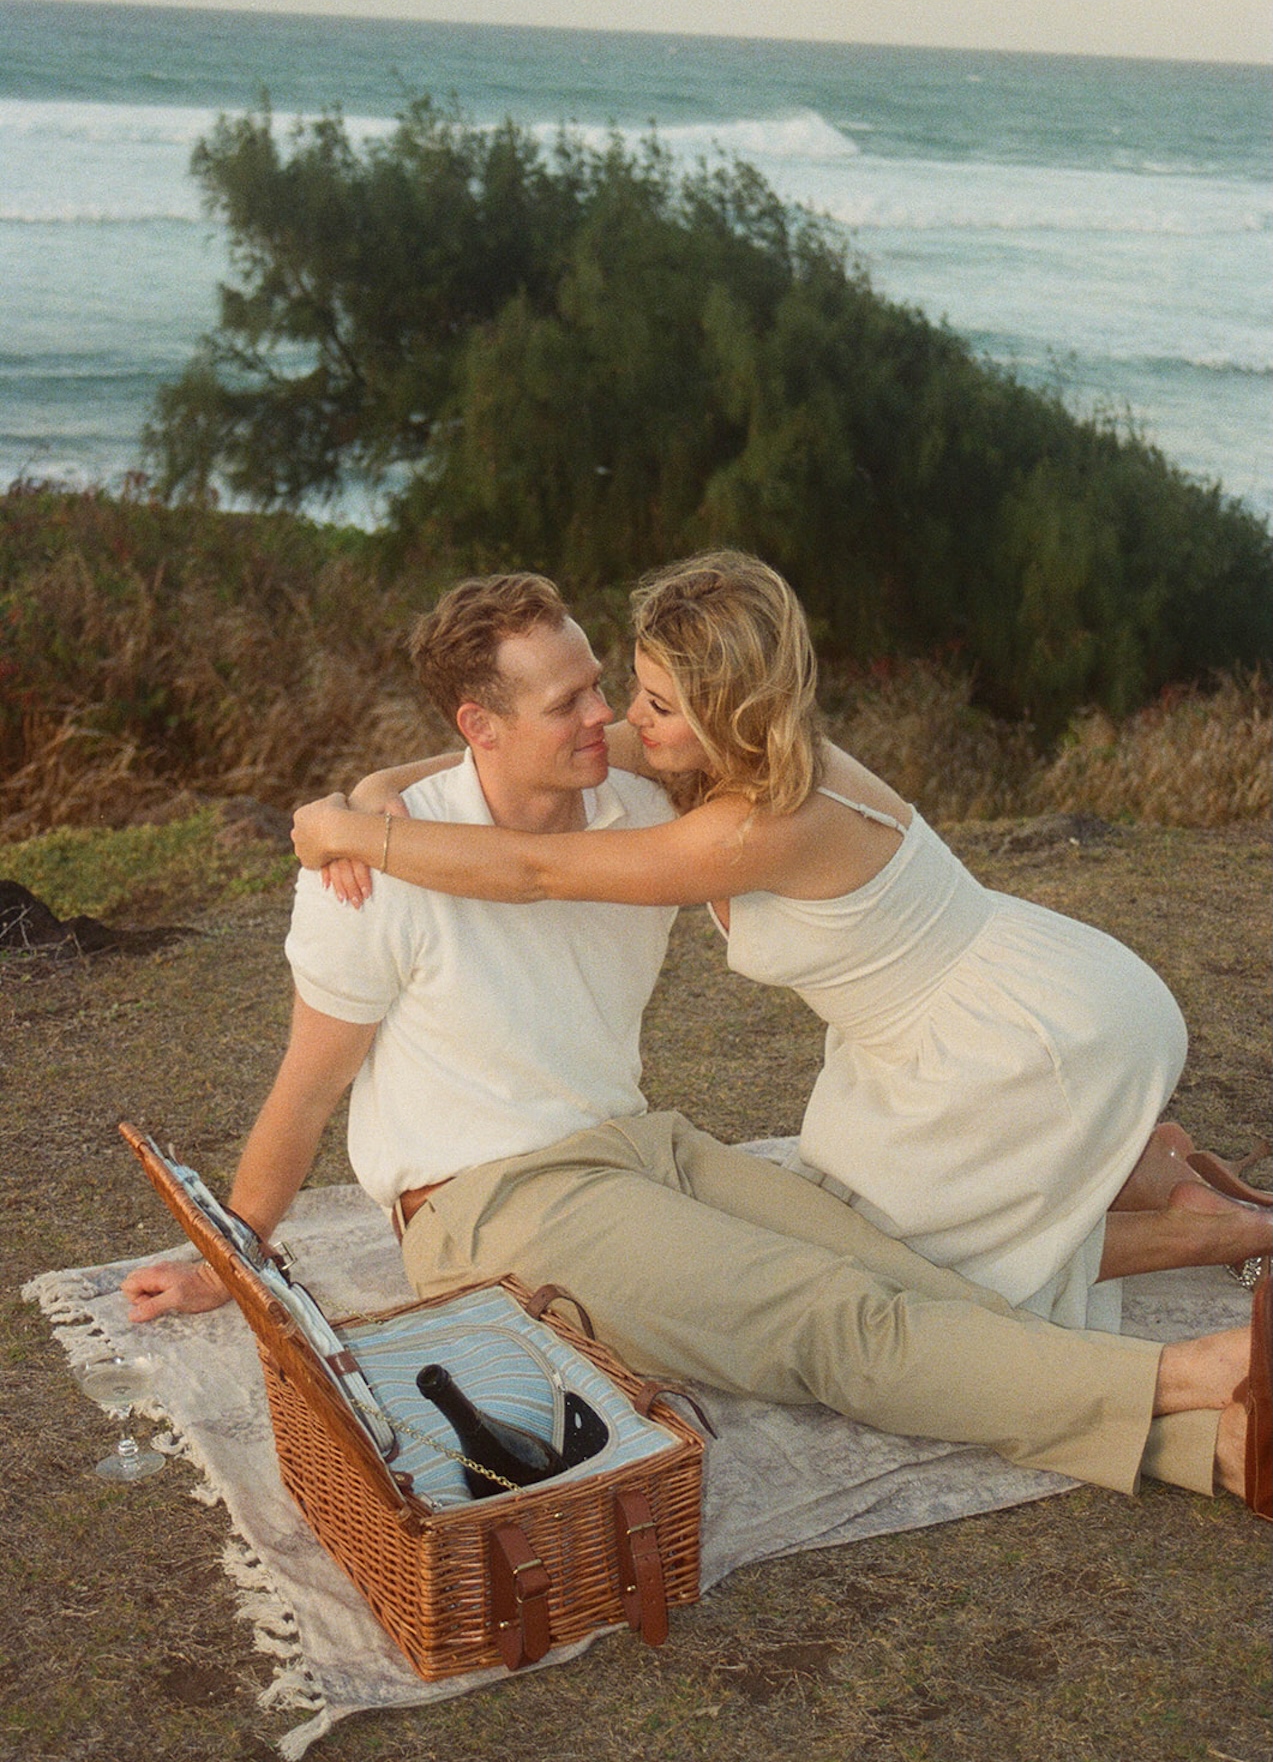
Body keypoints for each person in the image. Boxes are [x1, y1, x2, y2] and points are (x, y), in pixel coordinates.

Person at [125, 570, 1267, 1519]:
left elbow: (529, 865)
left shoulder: (642, 803)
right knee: (825, 1320)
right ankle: (1195, 1400)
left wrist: (357, 795)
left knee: (903, 1273)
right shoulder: (369, 884)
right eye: (572, 701)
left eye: (608, 692)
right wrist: (233, 1255)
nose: (606, 720)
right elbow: (306, 1086)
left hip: (641, 1142)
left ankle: (1195, 1427)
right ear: (478, 726)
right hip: (487, 1198)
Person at [293, 551, 1272, 1338]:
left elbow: (536, 872)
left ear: (724, 709)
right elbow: (504, 747)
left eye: (655, 705)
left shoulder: (759, 820)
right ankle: (1146, 1168)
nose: (626, 721)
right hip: (975, 1009)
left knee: (937, 1276)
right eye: (633, 690)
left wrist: (357, 837)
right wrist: (379, 784)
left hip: (1020, 1039)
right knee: (860, 1232)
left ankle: (1212, 1229)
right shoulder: (739, 744)